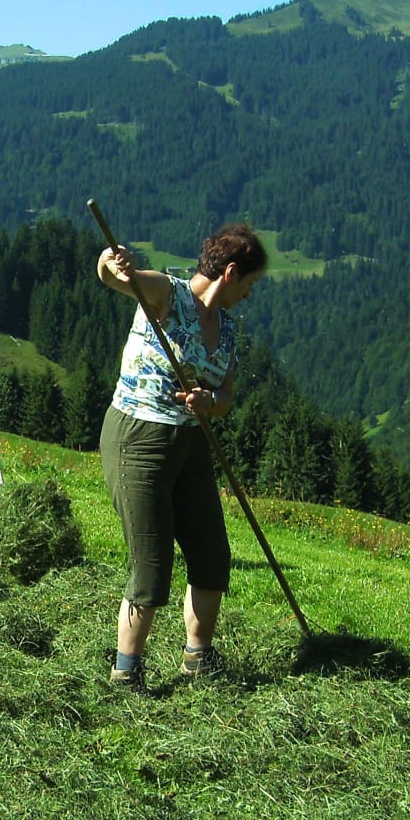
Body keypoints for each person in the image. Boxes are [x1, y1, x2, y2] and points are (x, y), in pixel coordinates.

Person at [97, 223, 267, 687]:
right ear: (230, 273)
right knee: (152, 564)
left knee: (211, 554)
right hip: (138, 438)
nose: (248, 294)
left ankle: (198, 656)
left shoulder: (226, 329)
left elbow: (226, 396)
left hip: (192, 442)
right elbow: (114, 277)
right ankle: (126, 671)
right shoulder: (167, 295)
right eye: (249, 283)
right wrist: (112, 261)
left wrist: (210, 402)